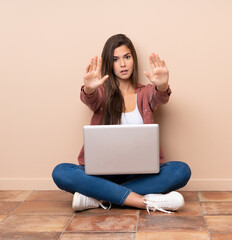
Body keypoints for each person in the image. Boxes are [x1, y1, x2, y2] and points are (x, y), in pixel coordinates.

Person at [52, 34, 191, 214]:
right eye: (116, 59)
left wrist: (163, 86)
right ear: (109, 64)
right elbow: (90, 98)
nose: (123, 64)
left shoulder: (146, 92)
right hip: (102, 174)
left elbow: (160, 96)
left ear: (133, 59)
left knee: (181, 170)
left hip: (140, 174)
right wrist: (89, 88)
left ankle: (99, 196)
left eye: (127, 57)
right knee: (61, 171)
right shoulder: (100, 93)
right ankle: (143, 201)